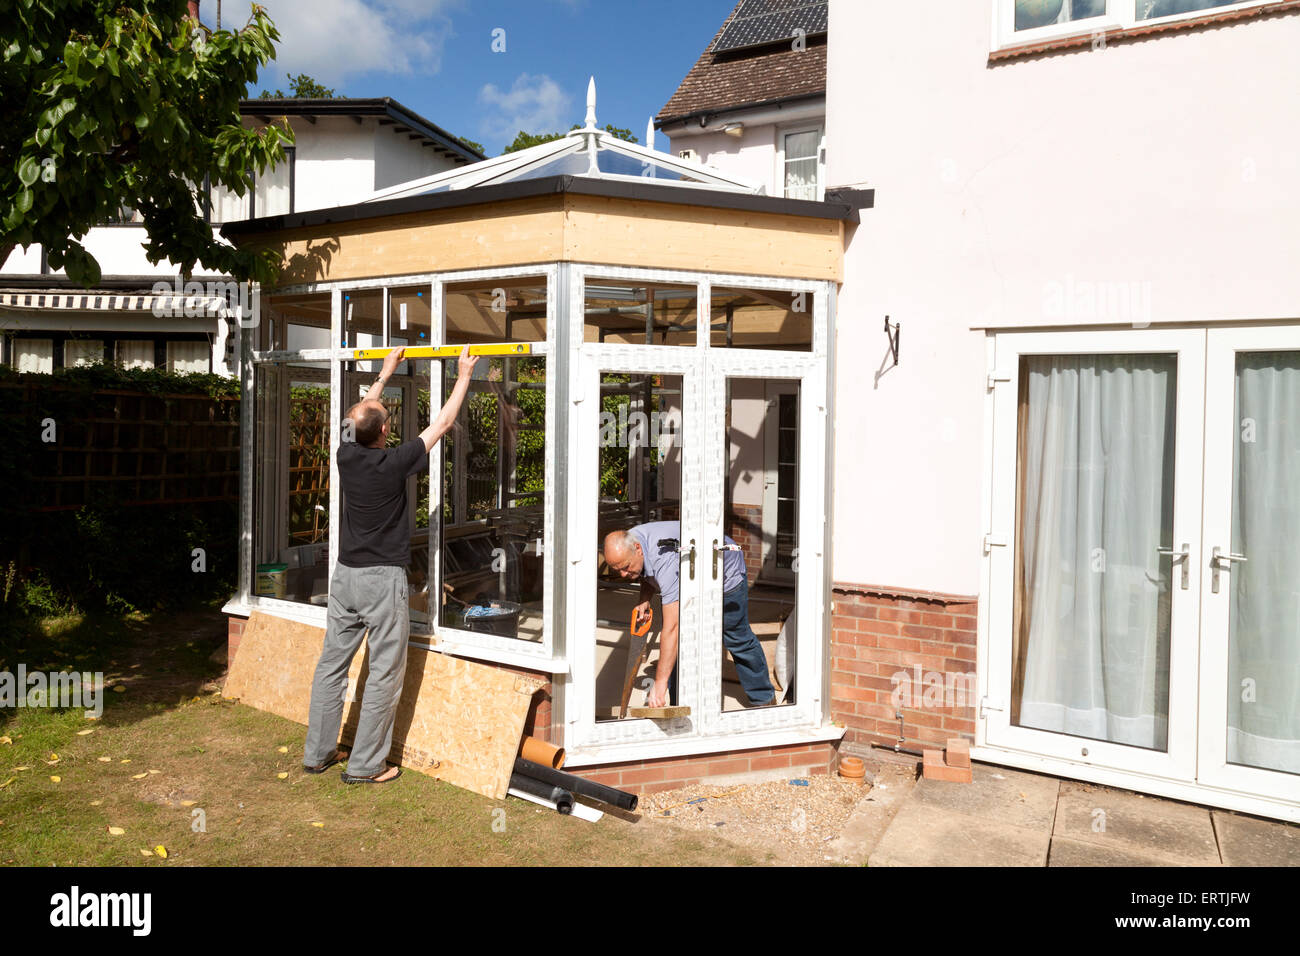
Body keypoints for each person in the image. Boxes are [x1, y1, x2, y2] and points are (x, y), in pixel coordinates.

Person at [303, 345, 479, 783]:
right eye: (384, 416)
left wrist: (383, 374)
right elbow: (441, 423)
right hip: (382, 581)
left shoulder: (346, 454)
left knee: (331, 666)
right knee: (383, 673)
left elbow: (354, 417)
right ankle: (364, 766)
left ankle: (317, 754)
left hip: (345, 577)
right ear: (382, 432)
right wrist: (463, 376)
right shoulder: (392, 462)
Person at [603, 521, 776, 709]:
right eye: (616, 569)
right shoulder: (632, 540)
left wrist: (659, 684)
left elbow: (672, 628)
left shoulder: (664, 559)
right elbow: (647, 570)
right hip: (691, 573)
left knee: (736, 636)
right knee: (681, 643)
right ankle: (679, 704)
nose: (622, 574)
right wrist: (644, 598)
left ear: (637, 549)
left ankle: (764, 699)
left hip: (724, 572)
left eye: (626, 567)